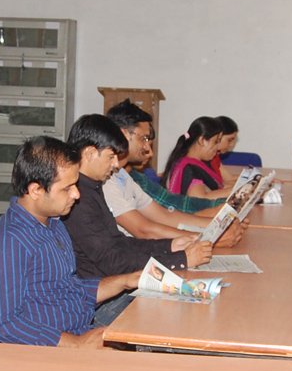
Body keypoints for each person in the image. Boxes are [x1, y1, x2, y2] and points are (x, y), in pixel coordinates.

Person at [0, 135, 142, 346]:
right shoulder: (9, 242)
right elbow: (7, 324)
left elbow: (69, 288)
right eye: (67, 188)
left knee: (152, 322)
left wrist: (127, 280)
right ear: (36, 190)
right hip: (53, 347)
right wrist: (76, 343)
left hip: (80, 326)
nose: (77, 194)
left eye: (76, 185)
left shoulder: (54, 223)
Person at [63, 114, 214, 324]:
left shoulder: (92, 187)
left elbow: (120, 242)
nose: (116, 164)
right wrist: (181, 259)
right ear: (89, 153)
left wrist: (170, 246)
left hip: (116, 290)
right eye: (111, 157)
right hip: (100, 305)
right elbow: (114, 262)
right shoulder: (79, 198)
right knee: (189, 316)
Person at [104, 101, 244, 243]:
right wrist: (209, 238)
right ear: (124, 135)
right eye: (143, 139)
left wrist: (220, 226)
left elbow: (165, 216)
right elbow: (144, 230)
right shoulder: (106, 180)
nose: (149, 151)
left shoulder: (123, 176)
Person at [161, 116, 229, 198]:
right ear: (202, 140)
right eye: (216, 142)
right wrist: (232, 191)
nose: (217, 147)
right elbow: (199, 198)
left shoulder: (198, 163)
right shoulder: (189, 168)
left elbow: (215, 187)